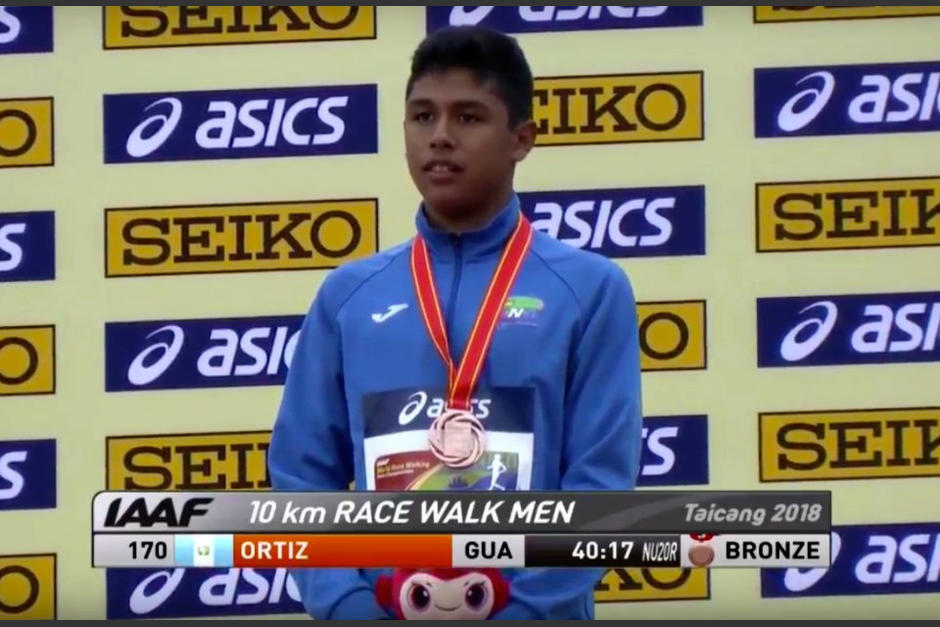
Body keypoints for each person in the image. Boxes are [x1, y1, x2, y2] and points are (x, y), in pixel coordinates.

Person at [269, 25, 643, 620]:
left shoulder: (590, 290)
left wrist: (525, 610)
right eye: (422, 117)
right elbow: (300, 476)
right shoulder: (349, 295)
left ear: (522, 138)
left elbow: (599, 487)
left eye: (468, 118)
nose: (439, 138)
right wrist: (347, 605)